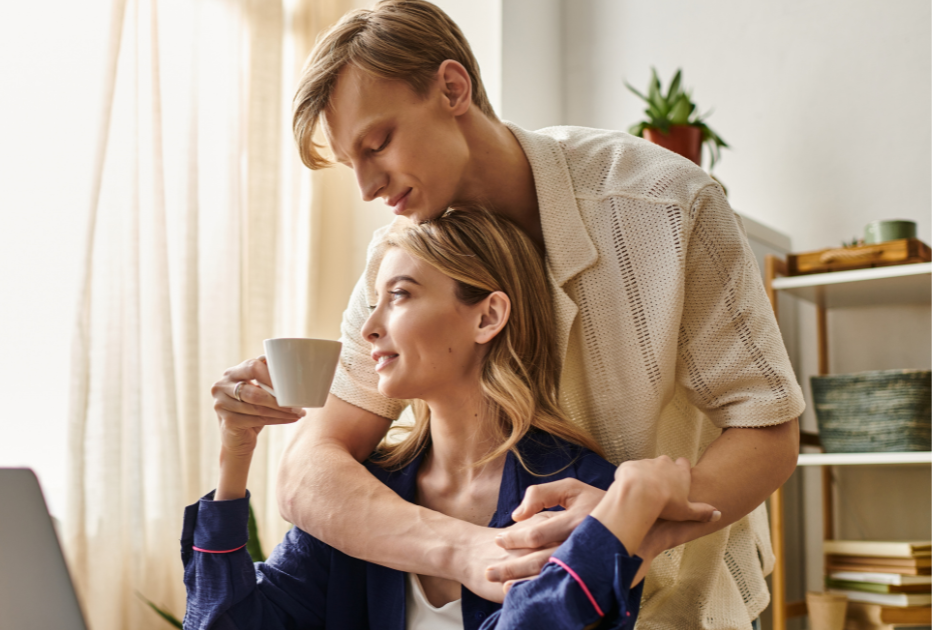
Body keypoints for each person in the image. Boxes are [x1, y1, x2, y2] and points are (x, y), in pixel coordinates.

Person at [211, 1, 805, 627]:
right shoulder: (394, 257)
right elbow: (309, 469)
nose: (365, 187)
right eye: (348, 162)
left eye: (377, 143)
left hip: (682, 590)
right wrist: (476, 554)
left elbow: (766, 428)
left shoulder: (666, 204)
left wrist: (629, 526)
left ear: (452, 87)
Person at [185, 209, 720, 630]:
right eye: (374, 303)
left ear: (487, 316)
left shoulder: (579, 495)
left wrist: (626, 507)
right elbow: (225, 622)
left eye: (398, 296)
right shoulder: (357, 498)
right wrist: (236, 454)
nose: (369, 327)